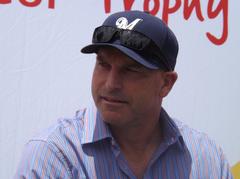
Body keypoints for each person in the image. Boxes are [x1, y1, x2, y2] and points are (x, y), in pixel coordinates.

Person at [14, 10, 233, 179]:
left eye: (131, 70)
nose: (111, 84)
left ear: (166, 83)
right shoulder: (53, 154)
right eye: (103, 64)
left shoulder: (206, 159)